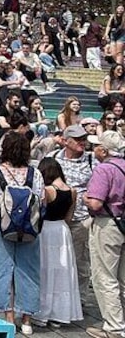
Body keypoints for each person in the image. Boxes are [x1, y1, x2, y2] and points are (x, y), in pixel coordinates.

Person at [0, 132, 44, 336]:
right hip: (29, 226)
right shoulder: (34, 173)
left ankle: (7, 315)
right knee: (28, 269)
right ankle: (26, 319)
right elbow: (41, 199)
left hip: (1, 225)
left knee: (2, 267)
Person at [83, 130, 125, 338]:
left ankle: (115, 327)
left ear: (104, 150)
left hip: (108, 224)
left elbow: (96, 203)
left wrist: (85, 198)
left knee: (105, 276)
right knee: (123, 278)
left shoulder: (104, 169)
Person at [32, 157, 82, 328]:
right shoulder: (73, 191)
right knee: (63, 272)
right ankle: (59, 314)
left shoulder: (47, 190)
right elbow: (69, 217)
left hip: (46, 230)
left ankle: (42, 312)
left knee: (45, 270)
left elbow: (39, 213)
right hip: (62, 230)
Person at [49, 124, 97, 304]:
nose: (82, 142)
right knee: (56, 261)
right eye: (77, 139)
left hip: (81, 218)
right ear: (65, 141)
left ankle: (80, 300)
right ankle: (56, 300)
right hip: (56, 218)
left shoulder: (92, 160)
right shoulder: (53, 158)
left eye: (83, 138)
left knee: (80, 262)